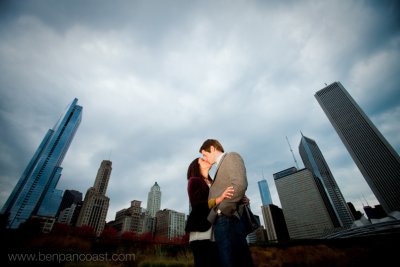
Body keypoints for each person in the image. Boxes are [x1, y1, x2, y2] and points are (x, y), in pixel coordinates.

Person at [199, 139, 254, 267]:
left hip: (226, 219)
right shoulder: (217, 170)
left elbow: (239, 185)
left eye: (204, 154)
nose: (205, 158)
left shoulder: (231, 157)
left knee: (230, 261)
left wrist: (220, 211)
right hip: (222, 222)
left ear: (212, 148)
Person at [185, 157, 234, 267]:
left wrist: (239, 199)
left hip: (217, 231)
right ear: (196, 166)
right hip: (201, 232)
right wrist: (219, 199)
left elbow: (224, 201)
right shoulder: (194, 180)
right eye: (202, 160)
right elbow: (196, 205)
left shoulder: (214, 182)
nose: (206, 160)